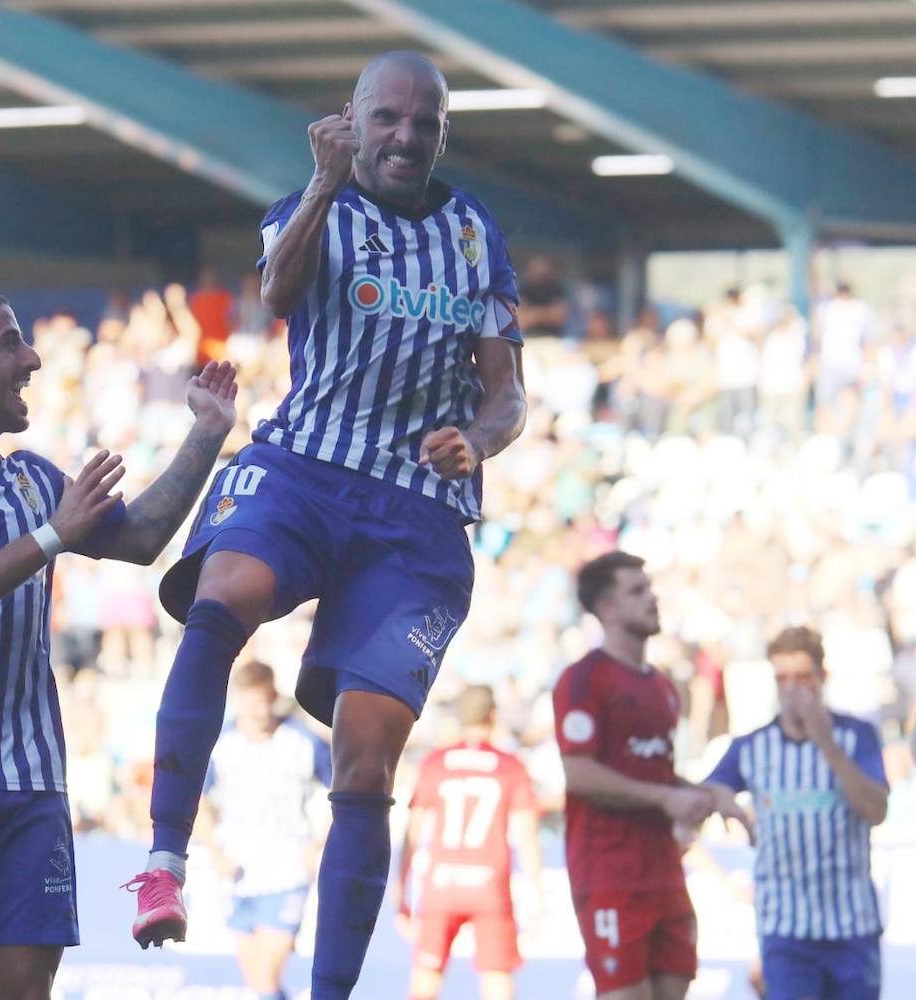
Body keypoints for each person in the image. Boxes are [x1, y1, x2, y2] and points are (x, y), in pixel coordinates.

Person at [125, 50, 528, 999]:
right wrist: (321, 182)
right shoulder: (311, 206)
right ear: (349, 120)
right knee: (222, 598)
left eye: (423, 124)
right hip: (306, 468)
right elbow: (277, 295)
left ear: (443, 133)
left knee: (367, 750)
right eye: (386, 118)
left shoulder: (475, 236)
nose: (404, 138)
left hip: (419, 514)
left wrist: (476, 438)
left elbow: (509, 396)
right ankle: (164, 862)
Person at [0, 288, 238, 1000]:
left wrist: (207, 434)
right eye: (10, 344)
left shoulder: (31, 478)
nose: (32, 358)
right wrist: (53, 535)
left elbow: (142, 538)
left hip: (31, 786)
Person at [553, 551, 750, 1000]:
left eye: (651, 588)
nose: (653, 598)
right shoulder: (583, 679)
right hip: (609, 872)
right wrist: (666, 800)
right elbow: (579, 774)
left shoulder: (662, 687)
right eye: (637, 591)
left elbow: (658, 775)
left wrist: (709, 795)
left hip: (664, 869)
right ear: (606, 608)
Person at [702, 626, 888, 1000]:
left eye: (802, 677)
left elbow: (876, 810)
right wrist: (725, 803)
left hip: (852, 927)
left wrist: (826, 744)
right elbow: (708, 791)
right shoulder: (752, 746)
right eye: (782, 678)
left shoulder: (857, 736)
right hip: (786, 931)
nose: (792, 688)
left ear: (822, 678)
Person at [397, 684, 542, 1000]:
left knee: (425, 981)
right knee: (497, 982)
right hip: (489, 886)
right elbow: (527, 837)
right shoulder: (511, 766)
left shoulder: (434, 763)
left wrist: (401, 894)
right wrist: (537, 897)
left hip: (441, 886)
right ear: (493, 717)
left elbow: (413, 834)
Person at [198, 661, 331, 1000]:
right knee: (258, 981)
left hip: (286, 870)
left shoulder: (302, 741)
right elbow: (198, 800)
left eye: (263, 701)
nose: (258, 711)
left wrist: (318, 844)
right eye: (250, 702)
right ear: (237, 699)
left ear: (273, 696)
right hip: (238, 870)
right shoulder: (220, 744)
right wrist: (214, 851)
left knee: (267, 974)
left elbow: (342, 792)